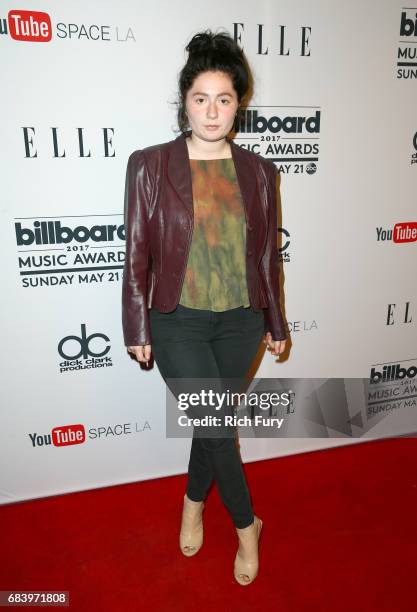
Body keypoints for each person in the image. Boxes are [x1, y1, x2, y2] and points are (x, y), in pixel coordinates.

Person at [122, 29, 287, 586]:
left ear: (239, 103)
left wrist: (276, 321)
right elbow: (138, 253)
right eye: (200, 98)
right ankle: (248, 528)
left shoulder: (260, 173)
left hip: (241, 321)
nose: (212, 111)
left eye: (224, 99)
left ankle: (193, 502)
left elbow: (267, 254)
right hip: (178, 322)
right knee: (217, 424)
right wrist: (136, 322)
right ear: (184, 102)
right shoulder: (150, 166)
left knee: (208, 425)